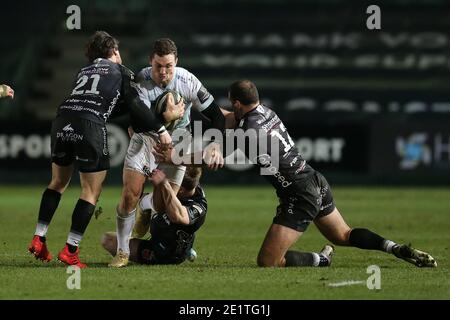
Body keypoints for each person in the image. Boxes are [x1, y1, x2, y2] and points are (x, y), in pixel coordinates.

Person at [221, 80, 437, 268]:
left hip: (299, 194)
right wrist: (197, 102)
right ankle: (395, 248)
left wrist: (205, 151)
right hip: (315, 179)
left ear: (237, 103)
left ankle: (321, 260)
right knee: (343, 235)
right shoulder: (265, 112)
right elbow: (229, 117)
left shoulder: (249, 131)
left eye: (233, 103)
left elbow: (225, 140)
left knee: (268, 261)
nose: (232, 107)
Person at [27, 31, 183, 268]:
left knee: (57, 183)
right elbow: (133, 104)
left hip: (61, 119)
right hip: (89, 125)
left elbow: (108, 106)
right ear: (114, 51)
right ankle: (70, 250)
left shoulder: (83, 71)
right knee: (91, 191)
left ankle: (39, 237)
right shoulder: (121, 72)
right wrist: (161, 128)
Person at [110, 38, 225, 267]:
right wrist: (166, 118)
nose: (163, 72)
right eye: (158, 66)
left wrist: (216, 144)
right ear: (150, 62)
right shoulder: (140, 80)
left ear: (177, 63)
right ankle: (122, 251)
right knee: (128, 195)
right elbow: (138, 119)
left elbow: (217, 115)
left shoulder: (188, 80)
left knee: (162, 205)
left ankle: (146, 207)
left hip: (179, 142)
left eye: (168, 66)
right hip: (146, 138)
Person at [102, 166, 207, 265]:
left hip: (164, 252)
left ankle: (185, 250)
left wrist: (165, 183)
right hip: (163, 232)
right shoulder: (190, 184)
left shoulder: (199, 207)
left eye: (173, 182)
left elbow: (178, 216)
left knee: (108, 240)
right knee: (153, 202)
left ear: (181, 189)